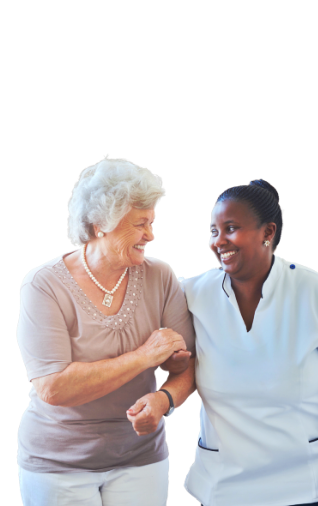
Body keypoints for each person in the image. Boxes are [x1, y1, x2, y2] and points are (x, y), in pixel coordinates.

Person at [16, 156, 199, 506]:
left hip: (141, 457)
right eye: (141, 224)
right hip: (58, 465)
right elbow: (54, 387)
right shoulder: (43, 285)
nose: (151, 235)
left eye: (152, 222)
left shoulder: (161, 277)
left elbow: (187, 366)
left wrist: (164, 399)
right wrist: (145, 356)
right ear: (102, 223)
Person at [181, 179, 318, 506]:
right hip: (224, 487)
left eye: (231, 228)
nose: (218, 241)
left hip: (307, 484)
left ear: (268, 232)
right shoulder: (192, 294)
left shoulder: (316, 291)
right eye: (214, 231)